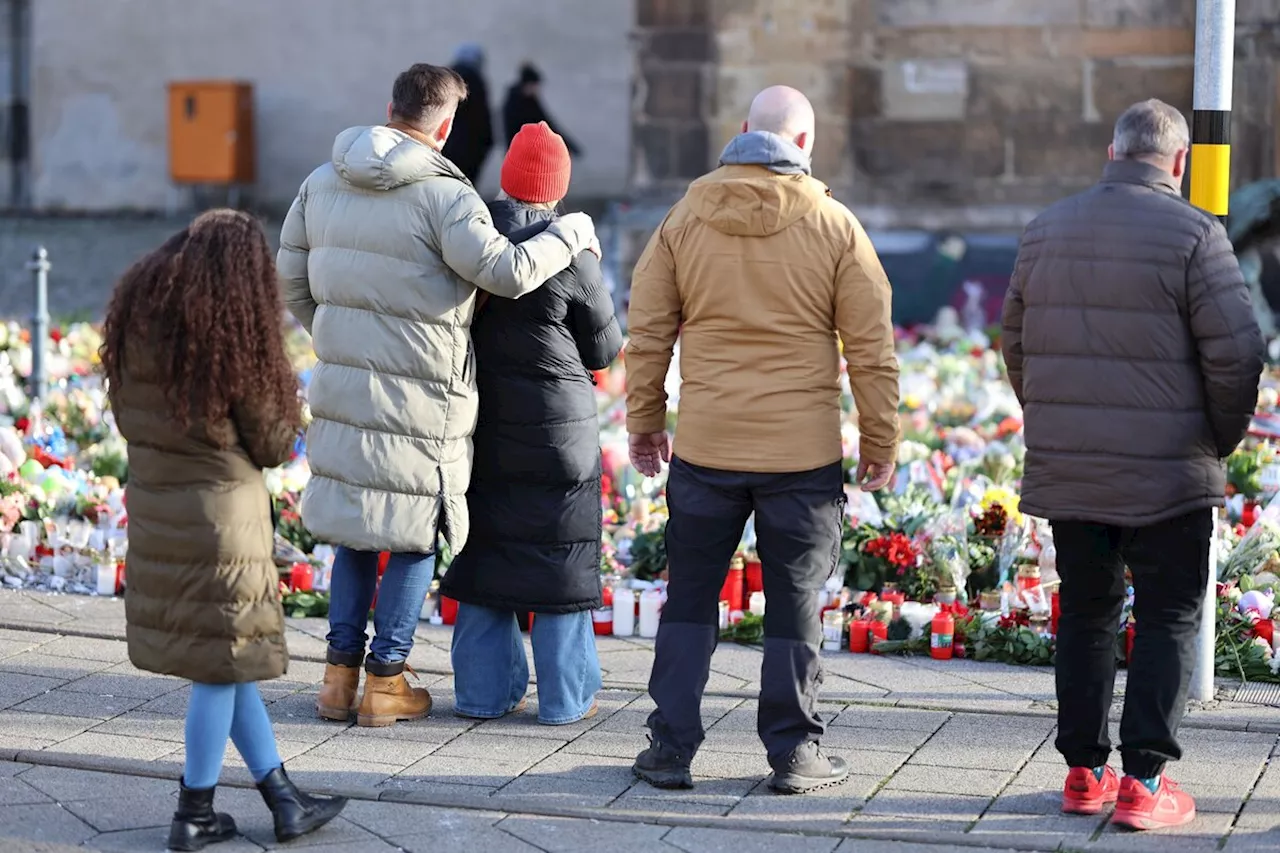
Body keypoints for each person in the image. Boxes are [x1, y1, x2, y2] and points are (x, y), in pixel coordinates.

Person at [278, 63, 600, 729]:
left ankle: (337, 679)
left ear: (387, 106)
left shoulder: (320, 181)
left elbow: (292, 278)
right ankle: (386, 679)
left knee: (356, 528)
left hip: (346, 380)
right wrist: (570, 234)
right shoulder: (444, 194)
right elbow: (507, 273)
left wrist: (341, 334)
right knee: (415, 529)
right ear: (447, 126)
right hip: (421, 392)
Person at [625, 86, 901, 794]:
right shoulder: (836, 226)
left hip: (706, 449)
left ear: (742, 131)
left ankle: (670, 747)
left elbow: (649, 330)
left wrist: (646, 422)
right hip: (799, 456)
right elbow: (871, 347)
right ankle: (794, 752)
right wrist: (880, 438)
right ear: (805, 145)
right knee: (794, 602)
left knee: (689, 597)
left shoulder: (684, 218)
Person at [1001, 99, 1265, 831]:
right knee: (1168, 615)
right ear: (1177, 162)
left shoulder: (1045, 228)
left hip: (1074, 469)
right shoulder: (1195, 234)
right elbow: (1239, 352)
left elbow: (1014, 340)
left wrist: (1057, 422)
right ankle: (1144, 782)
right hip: (1169, 473)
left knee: (1086, 612)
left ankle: (1084, 773)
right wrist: (1215, 436)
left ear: (1112, 150)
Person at [101, 210, 347, 851]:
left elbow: (130, 418)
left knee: (226, 663)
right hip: (222, 528)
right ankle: (195, 811)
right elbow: (269, 441)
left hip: (160, 511)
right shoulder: (229, 335)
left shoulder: (138, 319)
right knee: (218, 669)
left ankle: (283, 798)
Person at [440, 121, 623, 724]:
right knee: (560, 560)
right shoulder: (570, 252)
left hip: (479, 424)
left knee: (484, 554)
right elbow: (603, 349)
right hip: (556, 435)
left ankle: (483, 694)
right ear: (559, 187)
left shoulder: (470, 238)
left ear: (505, 178)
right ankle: (566, 698)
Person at [441, 43, 494, 185]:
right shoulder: (476, 81)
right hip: (470, 149)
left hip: (444, 145)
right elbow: (482, 119)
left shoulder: (443, 79)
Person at [502, 63, 581, 155]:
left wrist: (571, 146)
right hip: (519, 153)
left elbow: (548, 124)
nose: (537, 89)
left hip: (518, 153)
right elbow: (548, 125)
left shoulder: (528, 100)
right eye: (535, 85)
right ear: (528, 85)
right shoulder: (516, 104)